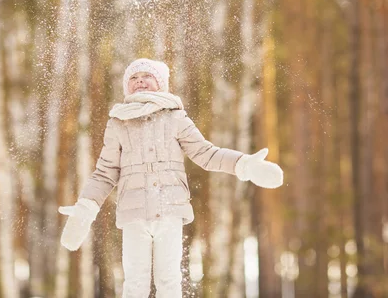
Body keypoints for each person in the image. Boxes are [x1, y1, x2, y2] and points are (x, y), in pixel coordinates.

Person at [58, 58, 283, 298]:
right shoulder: (118, 123)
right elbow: (105, 173)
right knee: (135, 283)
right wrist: (86, 207)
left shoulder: (176, 118)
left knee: (169, 281)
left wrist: (244, 165)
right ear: (126, 86)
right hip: (134, 214)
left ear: (161, 83)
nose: (140, 81)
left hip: (170, 210)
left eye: (147, 76)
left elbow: (206, 154)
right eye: (133, 78)